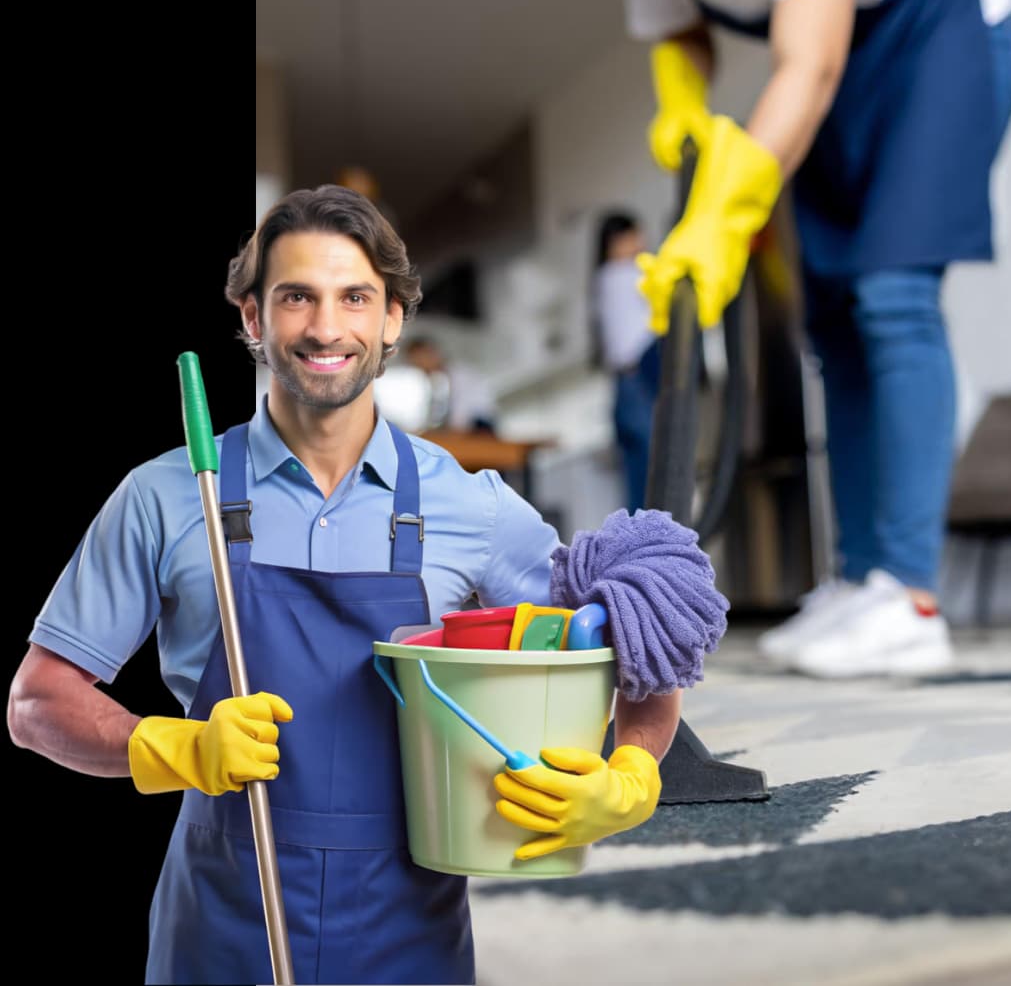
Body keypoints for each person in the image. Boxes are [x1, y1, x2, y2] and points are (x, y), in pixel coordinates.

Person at [7, 184, 680, 986]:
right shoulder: (167, 495)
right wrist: (172, 747)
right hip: (218, 928)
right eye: (297, 297)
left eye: (354, 297)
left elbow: (640, 631)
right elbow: (37, 703)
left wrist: (632, 774)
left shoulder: (471, 506)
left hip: (409, 937)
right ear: (253, 317)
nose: (326, 328)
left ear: (392, 318)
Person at [624, 0, 1011, 678]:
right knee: (833, 326)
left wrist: (725, 216)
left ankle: (910, 598)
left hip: (937, 35)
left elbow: (810, 65)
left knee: (894, 297)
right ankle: (862, 581)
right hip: (840, 68)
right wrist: (682, 102)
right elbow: (680, 28)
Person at [592, 210, 662, 514]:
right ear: (616, 241)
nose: (641, 244)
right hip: (640, 379)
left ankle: (636, 538)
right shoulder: (630, 274)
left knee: (634, 476)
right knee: (655, 469)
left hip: (622, 385)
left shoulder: (601, 280)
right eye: (635, 236)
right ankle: (657, 537)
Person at [402, 333, 499, 434]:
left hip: (478, 428)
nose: (420, 364)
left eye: (421, 358)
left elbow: (462, 415)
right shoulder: (432, 382)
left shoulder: (461, 375)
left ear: (433, 354)